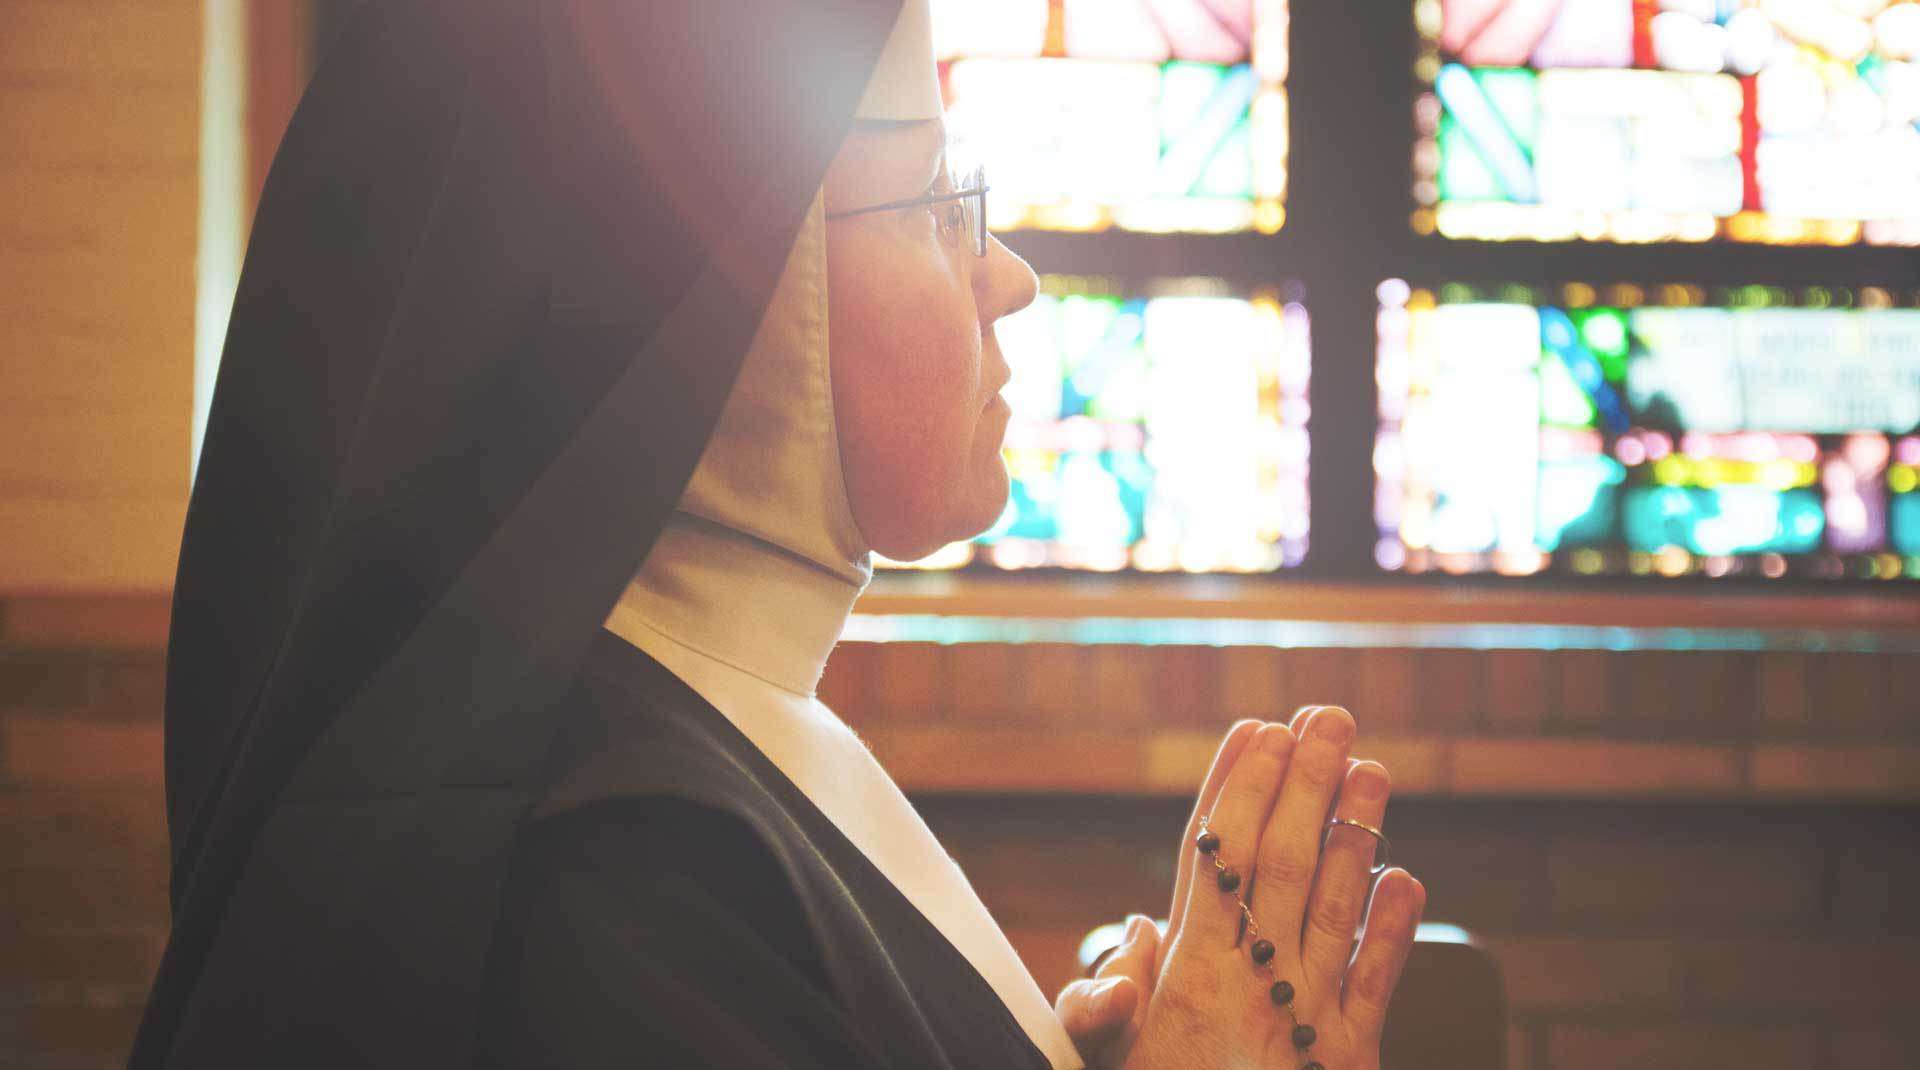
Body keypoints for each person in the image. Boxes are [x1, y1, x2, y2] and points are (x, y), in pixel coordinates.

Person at [133, 1, 1425, 1067]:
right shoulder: (624, 868)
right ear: (733, 314)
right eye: (932, 199)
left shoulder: (704, 716)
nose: (1006, 272)